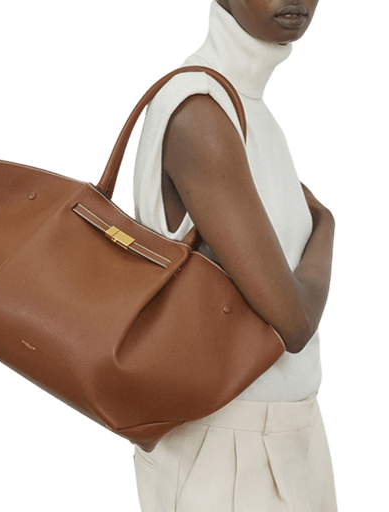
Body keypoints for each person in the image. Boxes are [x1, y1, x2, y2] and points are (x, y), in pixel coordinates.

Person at [131, 1, 337, 511]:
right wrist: (327, 226)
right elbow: (293, 324)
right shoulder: (199, 111)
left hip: (287, 438)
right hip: (229, 451)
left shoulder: (248, 107)